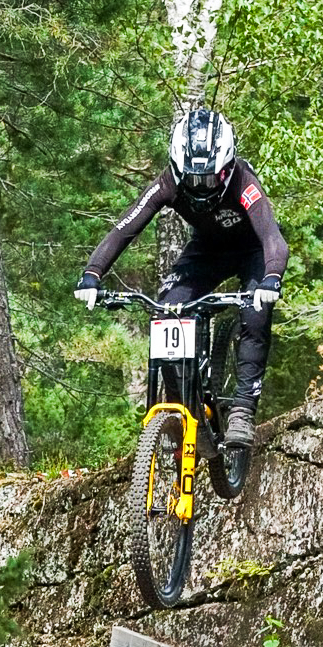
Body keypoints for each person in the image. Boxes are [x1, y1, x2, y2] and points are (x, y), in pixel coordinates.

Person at [75, 108, 288, 447]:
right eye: (192, 179)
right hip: (207, 251)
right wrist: (92, 273)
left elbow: (273, 237)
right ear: (177, 168)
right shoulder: (168, 182)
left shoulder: (243, 181)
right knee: (166, 311)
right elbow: (126, 226)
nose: (200, 187)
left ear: (227, 167)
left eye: (209, 179)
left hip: (254, 251)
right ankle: (181, 409)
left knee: (255, 313)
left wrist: (271, 277)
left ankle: (243, 410)